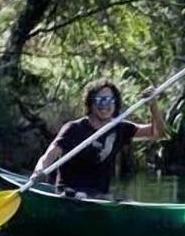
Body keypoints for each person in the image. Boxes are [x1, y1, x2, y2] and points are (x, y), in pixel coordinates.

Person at [30, 78, 165, 198]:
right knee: (79, 196)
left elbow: (157, 133)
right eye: (100, 99)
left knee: (114, 199)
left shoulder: (121, 128)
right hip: (70, 194)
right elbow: (49, 155)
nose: (105, 105)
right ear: (90, 103)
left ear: (115, 103)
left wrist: (153, 105)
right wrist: (39, 171)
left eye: (109, 100)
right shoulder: (74, 128)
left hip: (100, 196)